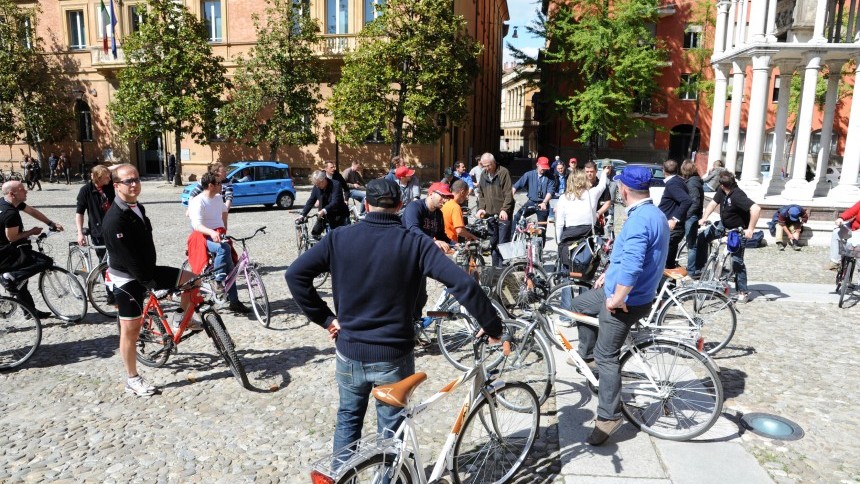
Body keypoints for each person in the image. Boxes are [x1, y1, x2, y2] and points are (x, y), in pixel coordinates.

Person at [285, 178, 504, 456]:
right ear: (401, 206)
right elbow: (464, 284)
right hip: (393, 352)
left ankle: (342, 475)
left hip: (349, 349)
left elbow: (295, 275)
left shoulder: (339, 237)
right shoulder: (415, 243)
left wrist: (326, 319)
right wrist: (492, 325)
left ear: (366, 205)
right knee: (391, 431)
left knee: (348, 421)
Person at [566, 165, 669, 446]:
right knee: (578, 305)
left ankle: (609, 416)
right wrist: (607, 275)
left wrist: (617, 298)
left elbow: (634, 266)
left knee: (607, 357)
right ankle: (586, 355)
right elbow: (629, 256)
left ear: (624, 190)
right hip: (622, 289)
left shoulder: (638, 220)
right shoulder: (654, 213)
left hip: (628, 300)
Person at [102, 164, 200, 397]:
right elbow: (129, 262)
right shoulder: (114, 219)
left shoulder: (137, 207)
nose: (134, 184)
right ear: (116, 186)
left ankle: (179, 318)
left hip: (147, 270)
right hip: (127, 280)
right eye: (128, 181)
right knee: (130, 331)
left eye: (136, 179)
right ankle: (132, 379)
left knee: (192, 280)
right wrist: (152, 286)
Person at [690, 172, 761, 303]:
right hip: (723, 225)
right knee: (702, 237)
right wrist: (704, 218)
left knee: (736, 261)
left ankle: (742, 291)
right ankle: (700, 270)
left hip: (737, 231)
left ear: (723, 185)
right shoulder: (722, 191)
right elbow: (712, 204)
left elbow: (756, 209)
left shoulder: (738, 195)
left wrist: (750, 229)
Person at [187, 172, 250, 314]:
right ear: (210, 185)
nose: (222, 185)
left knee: (231, 268)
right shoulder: (198, 201)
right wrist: (212, 232)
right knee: (222, 249)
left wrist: (224, 229)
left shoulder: (217, 198)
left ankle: (234, 302)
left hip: (217, 234)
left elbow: (224, 212)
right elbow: (196, 225)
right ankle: (218, 280)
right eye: (219, 183)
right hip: (202, 236)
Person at [0, 181, 62, 319]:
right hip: (4, 253)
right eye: (22, 189)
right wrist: (31, 231)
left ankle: (29, 312)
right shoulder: (10, 213)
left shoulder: (5, 202)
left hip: (5, 248)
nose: (26, 191)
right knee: (45, 262)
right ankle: (9, 277)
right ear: (12, 194)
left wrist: (50, 223)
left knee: (23, 279)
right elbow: (12, 237)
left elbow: (32, 211)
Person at [402, 182, 453, 321]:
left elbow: (442, 235)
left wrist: (457, 245)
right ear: (431, 194)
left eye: (447, 197)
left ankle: (415, 326)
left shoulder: (438, 214)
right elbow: (413, 229)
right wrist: (433, 241)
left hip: (420, 257)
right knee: (408, 294)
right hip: (405, 255)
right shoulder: (415, 207)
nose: (445, 199)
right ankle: (406, 326)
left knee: (421, 296)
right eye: (442, 196)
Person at [75, 165, 117, 302]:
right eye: (106, 176)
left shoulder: (108, 186)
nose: (109, 178)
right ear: (98, 178)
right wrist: (80, 233)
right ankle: (111, 293)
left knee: (121, 258)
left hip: (115, 228)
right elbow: (79, 213)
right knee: (105, 263)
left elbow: (121, 167)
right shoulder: (86, 191)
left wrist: (104, 168)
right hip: (99, 231)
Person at [476, 152, 515, 267]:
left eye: (489, 165)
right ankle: (494, 270)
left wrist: (504, 209)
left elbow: (508, 194)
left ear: (494, 163)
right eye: (484, 166)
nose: (487, 168)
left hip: (503, 214)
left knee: (502, 244)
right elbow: (481, 194)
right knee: (493, 244)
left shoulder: (503, 172)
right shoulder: (483, 174)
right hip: (490, 215)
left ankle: (503, 272)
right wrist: (481, 208)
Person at [554, 166, 610, 244]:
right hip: (589, 232)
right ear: (585, 180)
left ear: (570, 181)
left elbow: (559, 224)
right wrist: (604, 173)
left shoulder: (563, 198)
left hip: (570, 234)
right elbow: (602, 185)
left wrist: (559, 241)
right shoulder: (592, 194)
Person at [658, 159, 692, 269]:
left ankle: (667, 285)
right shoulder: (677, 180)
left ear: (664, 170)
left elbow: (686, 201)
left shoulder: (673, 183)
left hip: (673, 228)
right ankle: (669, 284)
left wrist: (674, 219)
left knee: (666, 263)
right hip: (672, 227)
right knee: (668, 261)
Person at [512, 157, 556, 241]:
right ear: (537, 165)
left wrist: (544, 202)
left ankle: (539, 247)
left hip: (543, 204)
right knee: (517, 217)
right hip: (531, 202)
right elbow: (515, 186)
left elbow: (550, 191)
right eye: (542, 167)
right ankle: (513, 240)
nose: (544, 169)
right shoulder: (529, 175)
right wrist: (511, 197)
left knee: (541, 229)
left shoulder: (551, 177)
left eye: (545, 168)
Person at [296, 170, 349, 238]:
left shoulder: (336, 184)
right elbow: (311, 200)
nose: (317, 186)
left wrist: (324, 210)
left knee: (338, 237)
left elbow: (335, 202)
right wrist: (303, 214)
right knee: (315, 234)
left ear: (323, 180)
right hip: (323, 215)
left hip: (338, 214)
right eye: (316, 185)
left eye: (318, 184)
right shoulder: (316, 187)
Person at [681, 159, 704, 273]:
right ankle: (691, 268)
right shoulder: (694, 181)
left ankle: (691, 270)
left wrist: (686, 215)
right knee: (691, 244)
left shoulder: (692, 183)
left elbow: (695, 202)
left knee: (691, 245)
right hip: (693, 216)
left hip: (691, 216)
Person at [827, 200, 860, 270]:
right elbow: (852, 211)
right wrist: (841, 218)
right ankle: (835, 262)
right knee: (836, 232)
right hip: (853, 227)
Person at [584, 161, 612, 236]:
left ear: (596, 171)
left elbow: (608, 202)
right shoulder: (581, 185)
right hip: (583, 219)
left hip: (598, 219)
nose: (589, 174)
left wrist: (598, 213)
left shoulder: (602, 185)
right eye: (587, 172)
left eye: (591, 171)